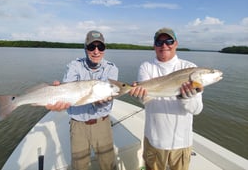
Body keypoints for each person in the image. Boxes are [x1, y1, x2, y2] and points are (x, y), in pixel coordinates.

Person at [130, 28, 204, 170]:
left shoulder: (190, 68)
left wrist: (186, 98)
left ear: (176, 43)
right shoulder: (146, 67)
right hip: (154, 140)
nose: (164, 45)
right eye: (159, 42)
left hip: (182, 143)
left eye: (169, 41)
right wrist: (140, 95)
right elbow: (145, 100)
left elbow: (197, 110)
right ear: (154, 46)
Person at [46, 30, 118, 170]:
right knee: (79, 166)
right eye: (92, 47)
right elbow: (67, 89)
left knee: (109, 165)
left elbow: (105, 94)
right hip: (78, 124)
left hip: (102, 123)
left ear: (104, 49)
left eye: (100, 47)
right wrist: (57, 93)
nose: (96, 51)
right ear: (85, 48)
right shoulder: (74, 65)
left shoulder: (111, 69)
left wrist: (103, 99)